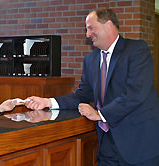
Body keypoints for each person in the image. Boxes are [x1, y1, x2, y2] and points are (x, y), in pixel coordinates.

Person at [24, 8, 159, 166]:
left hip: (139, 144)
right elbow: (82, 95)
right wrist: (48, 102)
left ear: (108, 24)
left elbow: (135, 94)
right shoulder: (90, 59)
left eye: (90, 28)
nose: (87, 34)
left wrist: (100, 114)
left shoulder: (137, 50)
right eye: (86, 29)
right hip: (106, 145)